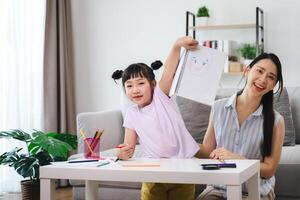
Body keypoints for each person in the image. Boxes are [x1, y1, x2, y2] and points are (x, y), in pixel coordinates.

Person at [111, 36, 200, 200]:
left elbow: (169, 71)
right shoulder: (132, 113)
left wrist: (176, 45)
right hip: (153, 173)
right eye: (129, 86)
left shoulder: (161, 97)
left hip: (182, 170)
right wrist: (122, 153)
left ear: (152, 84)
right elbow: (128, 146)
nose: (135, 90)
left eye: (140, 83)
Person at [196, 53, 285, 200]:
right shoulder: (219, 108)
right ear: (247, 70)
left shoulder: (277, 121)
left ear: (273, 86)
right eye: (260, 71)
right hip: (218, 189)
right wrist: (182, 140)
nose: (263, 80)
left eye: (271, 77)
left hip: (256, 192)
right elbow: (207, 151)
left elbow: (269, 170)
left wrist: (238, 159)